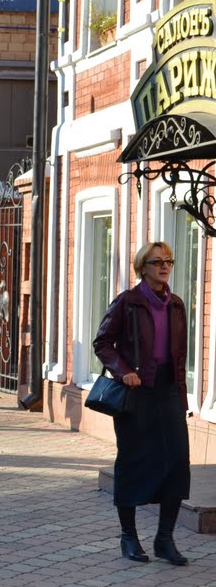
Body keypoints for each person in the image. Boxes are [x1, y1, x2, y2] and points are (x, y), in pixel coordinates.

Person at [93, 241, 190, 566]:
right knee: (134, 463)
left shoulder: (176, 304)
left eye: (168, 261)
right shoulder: (127, 303)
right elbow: (103, 342)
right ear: (142, 267)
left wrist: (182, 397)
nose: (164, 266)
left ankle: (165, 539)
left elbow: (179, 357)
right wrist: (123, 372)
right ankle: (129, 538)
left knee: (177, 463)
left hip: (170, 392)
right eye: (157, 261)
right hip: (137, 394)